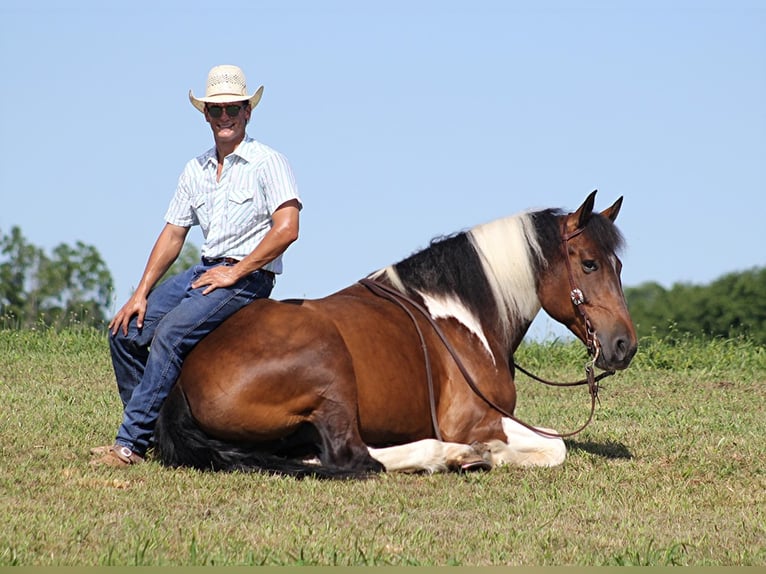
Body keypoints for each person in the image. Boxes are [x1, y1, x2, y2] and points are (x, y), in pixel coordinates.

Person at [90, 64, 302, 467]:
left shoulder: (268, 162)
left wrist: (236, 272)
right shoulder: (196, 168)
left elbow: (288, 228)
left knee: (169, 333)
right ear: (204, 115)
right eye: (216, 110)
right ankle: (157, 437)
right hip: (204, 271)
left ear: (248, 112)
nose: (225, 117)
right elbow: (173, 235)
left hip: (247, 277)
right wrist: (140, 294)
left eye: (233, 109)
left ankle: (129, 444)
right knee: (124, 331)